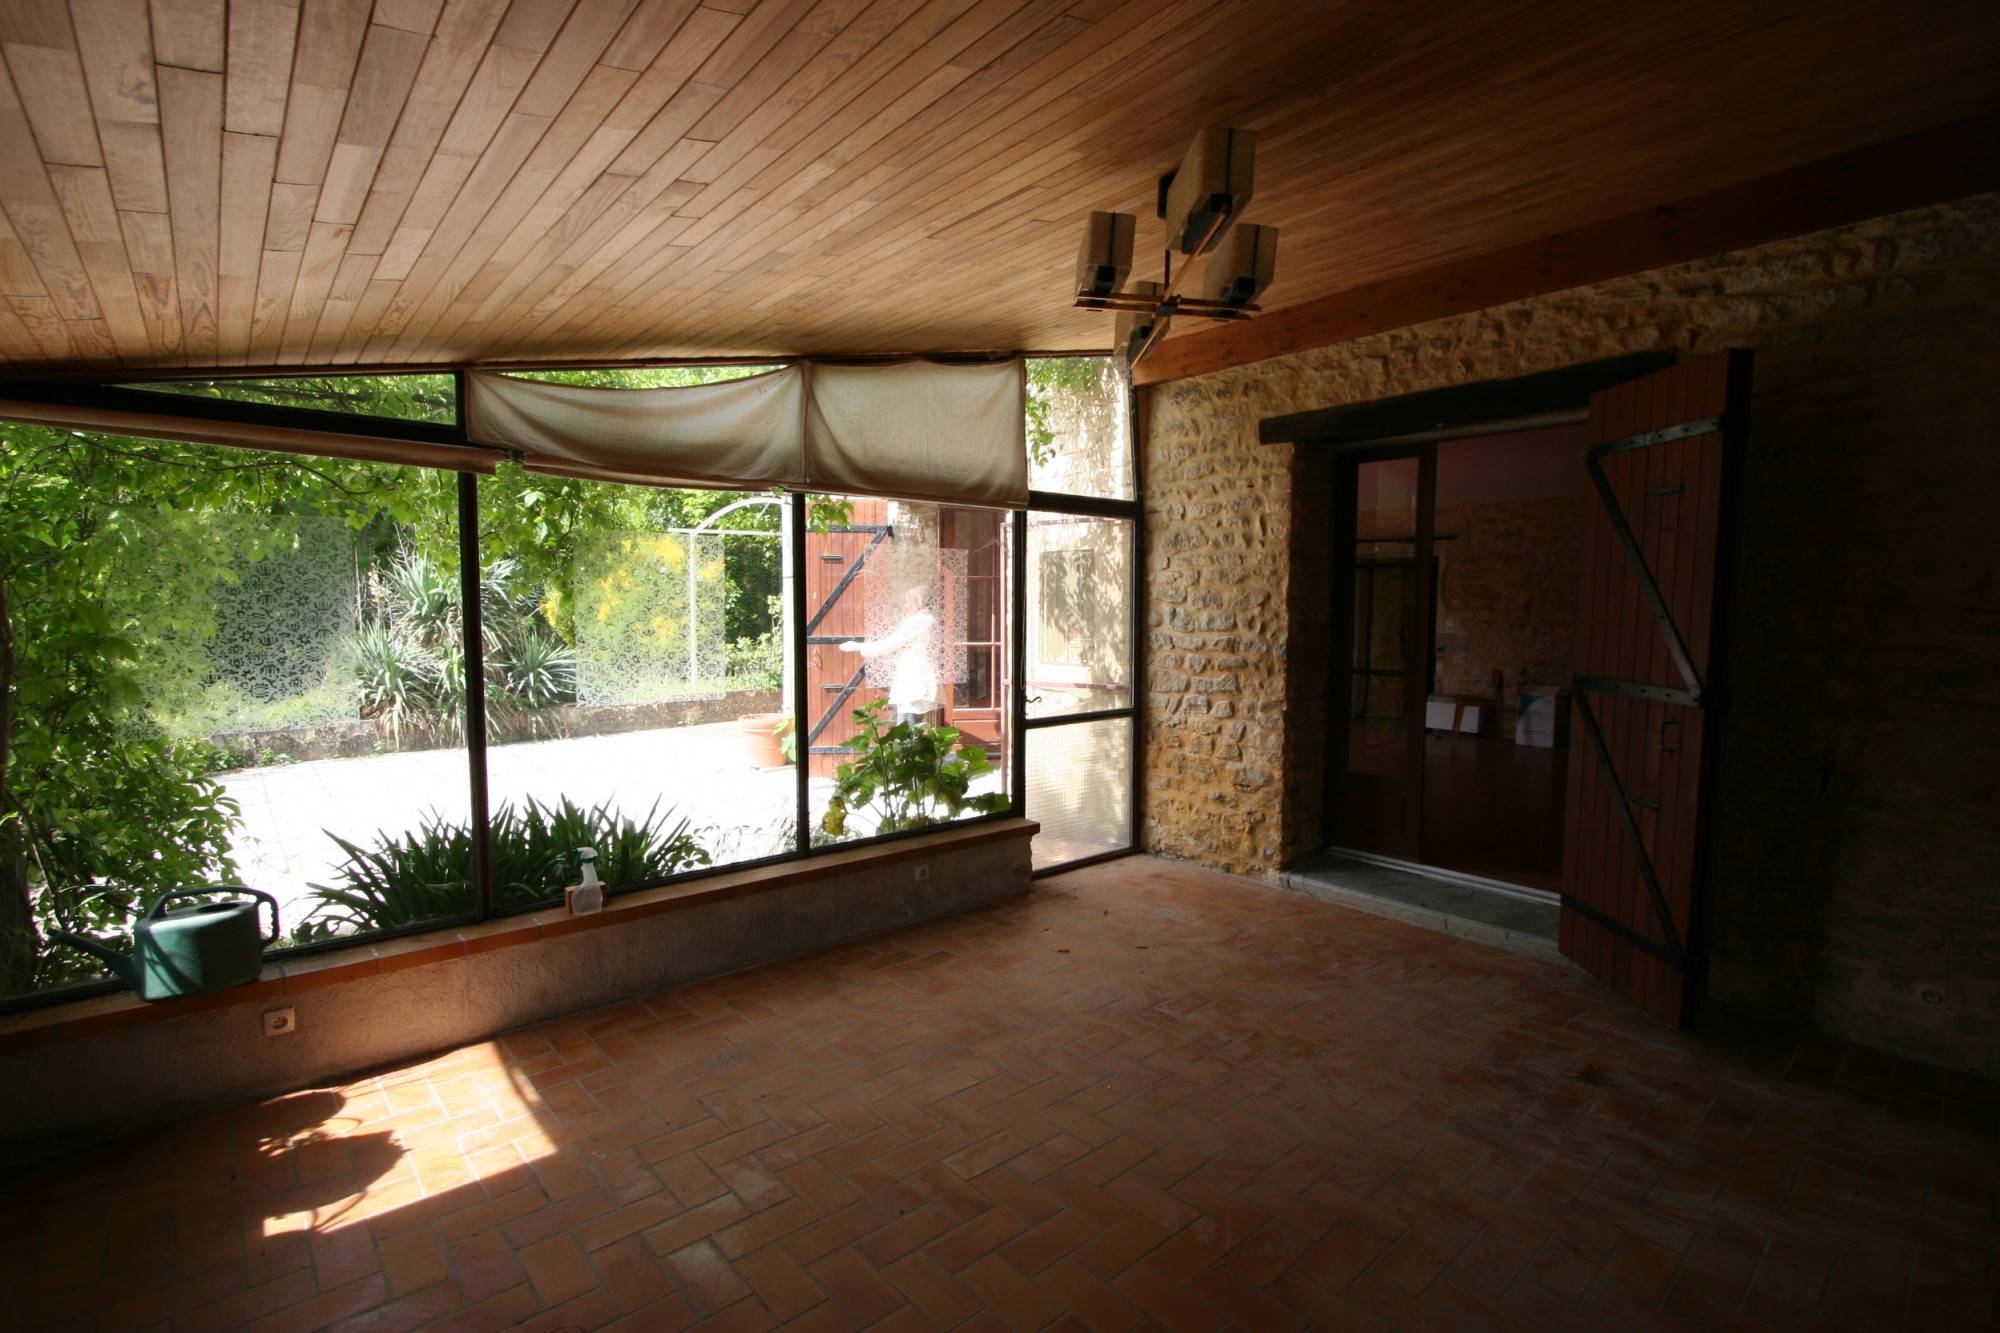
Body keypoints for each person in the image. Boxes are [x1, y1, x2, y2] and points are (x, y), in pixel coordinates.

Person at [839, 582, 939, 728]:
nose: (905, 606)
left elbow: (889, 644)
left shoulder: (917, 622)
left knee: (907, 725)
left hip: (913, 678)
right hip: (918, 675)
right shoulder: (928, 620)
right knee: (910, 723)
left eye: (908, 602)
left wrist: (858, 646)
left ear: (918, 602)